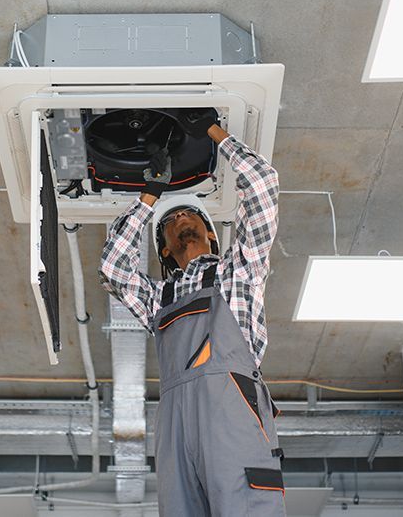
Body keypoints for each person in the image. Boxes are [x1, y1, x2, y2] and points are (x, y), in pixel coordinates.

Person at [99, 109, 283, 516]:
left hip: (230, 404)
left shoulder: (239, 271)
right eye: (171, 221)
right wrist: (150, 196)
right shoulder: (159, 298)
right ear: (163, 247)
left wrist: (213, 132)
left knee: (245, 506)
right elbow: (113, 269)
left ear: (211, 233)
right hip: (176, 417)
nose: (182, 217)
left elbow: (263, 184)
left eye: (192, 214)